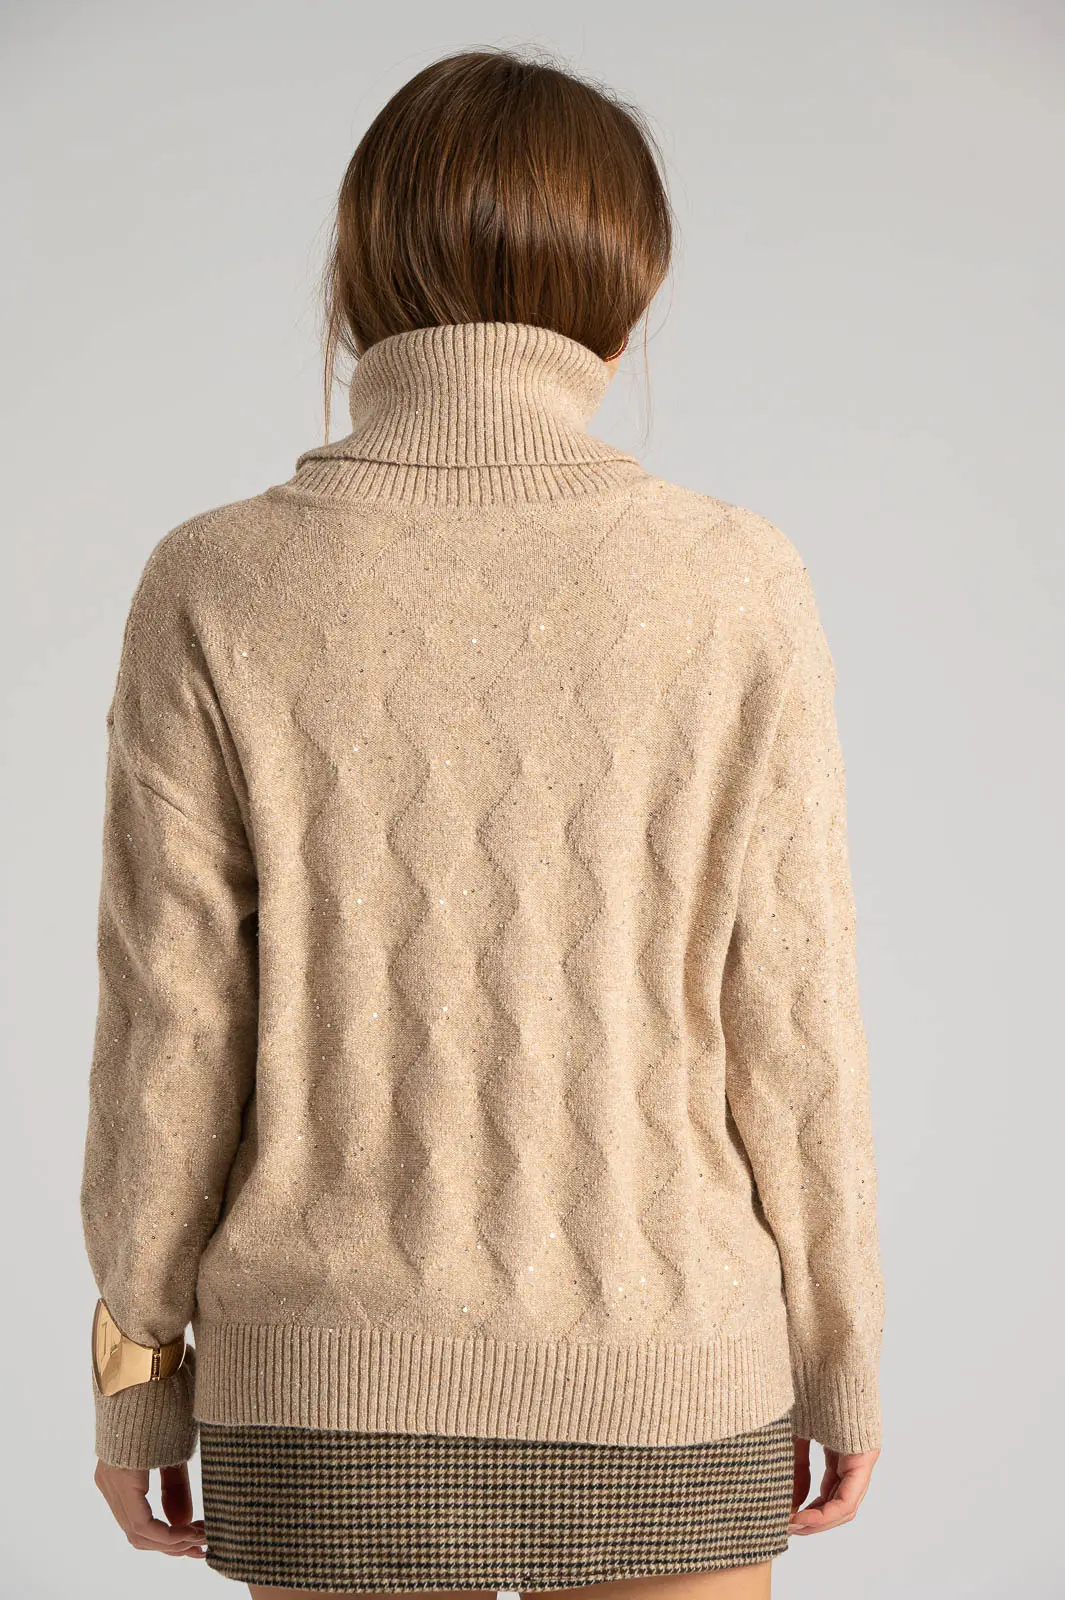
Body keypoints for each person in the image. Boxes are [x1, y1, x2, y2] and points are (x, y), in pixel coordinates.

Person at [81, 45, 884, 1600]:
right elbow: (794, 1019)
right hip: (670, 1371)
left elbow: (172, 1027)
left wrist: (137, 1369)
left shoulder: (218, 579)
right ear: (628, 295)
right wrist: (842, 1358)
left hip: (323, 1394)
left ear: (356, 276)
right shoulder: (738, 581)